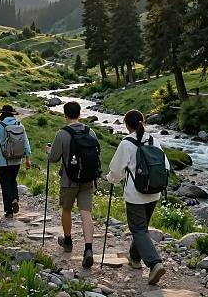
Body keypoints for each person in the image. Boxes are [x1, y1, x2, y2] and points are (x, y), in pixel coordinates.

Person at [106, 109, 170, 286]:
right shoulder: (153, 140)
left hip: (136, 194)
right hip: (154, 191)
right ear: (143, 122)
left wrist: (110, 179)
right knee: (141, 228)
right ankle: (134, 258)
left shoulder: (127, 143)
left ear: (127, 125)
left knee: (138, 229)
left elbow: (116, 171)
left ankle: (154, 263)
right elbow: (166, 166)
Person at [46, 101, 100, 269]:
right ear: (80, 114)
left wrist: (48, 151)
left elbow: (53, 158)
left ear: (65, 115)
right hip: (87, 179)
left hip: (69, 180)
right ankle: (88, 248)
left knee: (67, 209)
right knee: (86, 213)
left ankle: (68, 241)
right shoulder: (90, 131)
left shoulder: (62, 133)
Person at [0, 105, 31, 219]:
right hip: (17, 159)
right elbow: (26, 143)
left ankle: (9, 210)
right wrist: (28, 159)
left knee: (5, 183)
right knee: (13, 180)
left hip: (4, 161)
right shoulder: (19, 125)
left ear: (2, 114)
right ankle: (15, 199)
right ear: (12, 114)